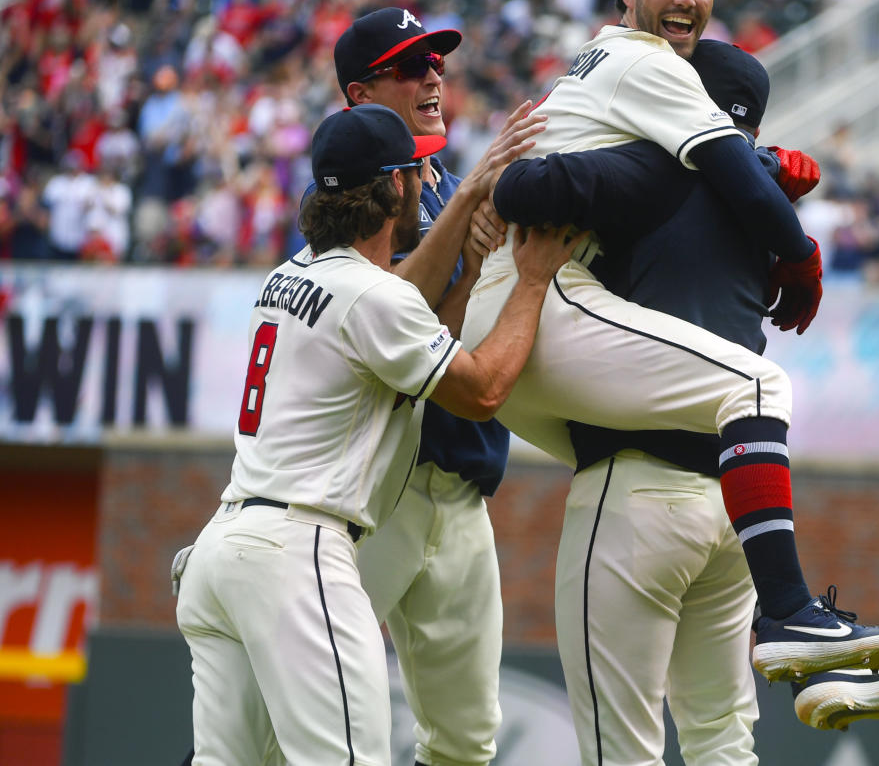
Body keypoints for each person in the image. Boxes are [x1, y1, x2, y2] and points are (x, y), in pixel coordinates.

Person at [462, 0, 879, 702]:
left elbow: (532, 182)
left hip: (595, 422)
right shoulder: (660, 87)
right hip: (560, 340)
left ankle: (801, 639)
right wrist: (797, 243)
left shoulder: (639, 113)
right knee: (754, 386)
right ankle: (791, 617)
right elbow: (539, 183)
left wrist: (494, 185)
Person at [173, 103, 577, 765]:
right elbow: (484, 391)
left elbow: (401, 353)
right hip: (299, 553)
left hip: (222, 550)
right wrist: (531, 281)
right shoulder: (374, 296)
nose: (426, 180)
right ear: (394, 185)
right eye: (416, 170)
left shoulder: (288, 276)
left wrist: (470, 272)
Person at [330, 6, 541, 766]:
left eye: (436, 61)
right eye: (409, 65)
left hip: (461, 488)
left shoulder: (449, 176)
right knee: (281, 726)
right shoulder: (351, 185)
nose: (433, 75)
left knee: (465, 743)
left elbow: (437, 336)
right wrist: (469, 200)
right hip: (375, 488)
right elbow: (387, 319)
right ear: (360, 93)